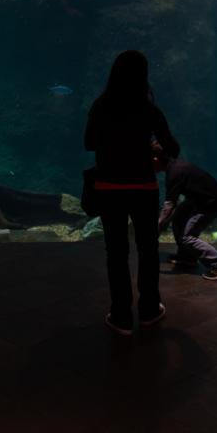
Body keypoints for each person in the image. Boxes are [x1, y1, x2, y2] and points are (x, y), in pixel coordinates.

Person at [85, 50, 180, 336]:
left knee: (116, 252)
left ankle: (121, 314)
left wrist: (112, 145)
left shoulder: (100, 106)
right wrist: (151, 148)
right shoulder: (149, 109)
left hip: (109, 187)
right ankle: (149, 309)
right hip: (143, 187)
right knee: (148, 249)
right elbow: (173, 149)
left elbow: (89, 143)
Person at [155, 147, 217, 281]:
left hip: (210, 203)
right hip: (199, 199)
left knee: (187, 237)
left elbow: (169, 206)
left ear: (155, 159)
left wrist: (158, 227)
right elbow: (172, 207)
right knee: (179, 218)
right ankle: (188, 257)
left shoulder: (174, 172)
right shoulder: (175, 167)